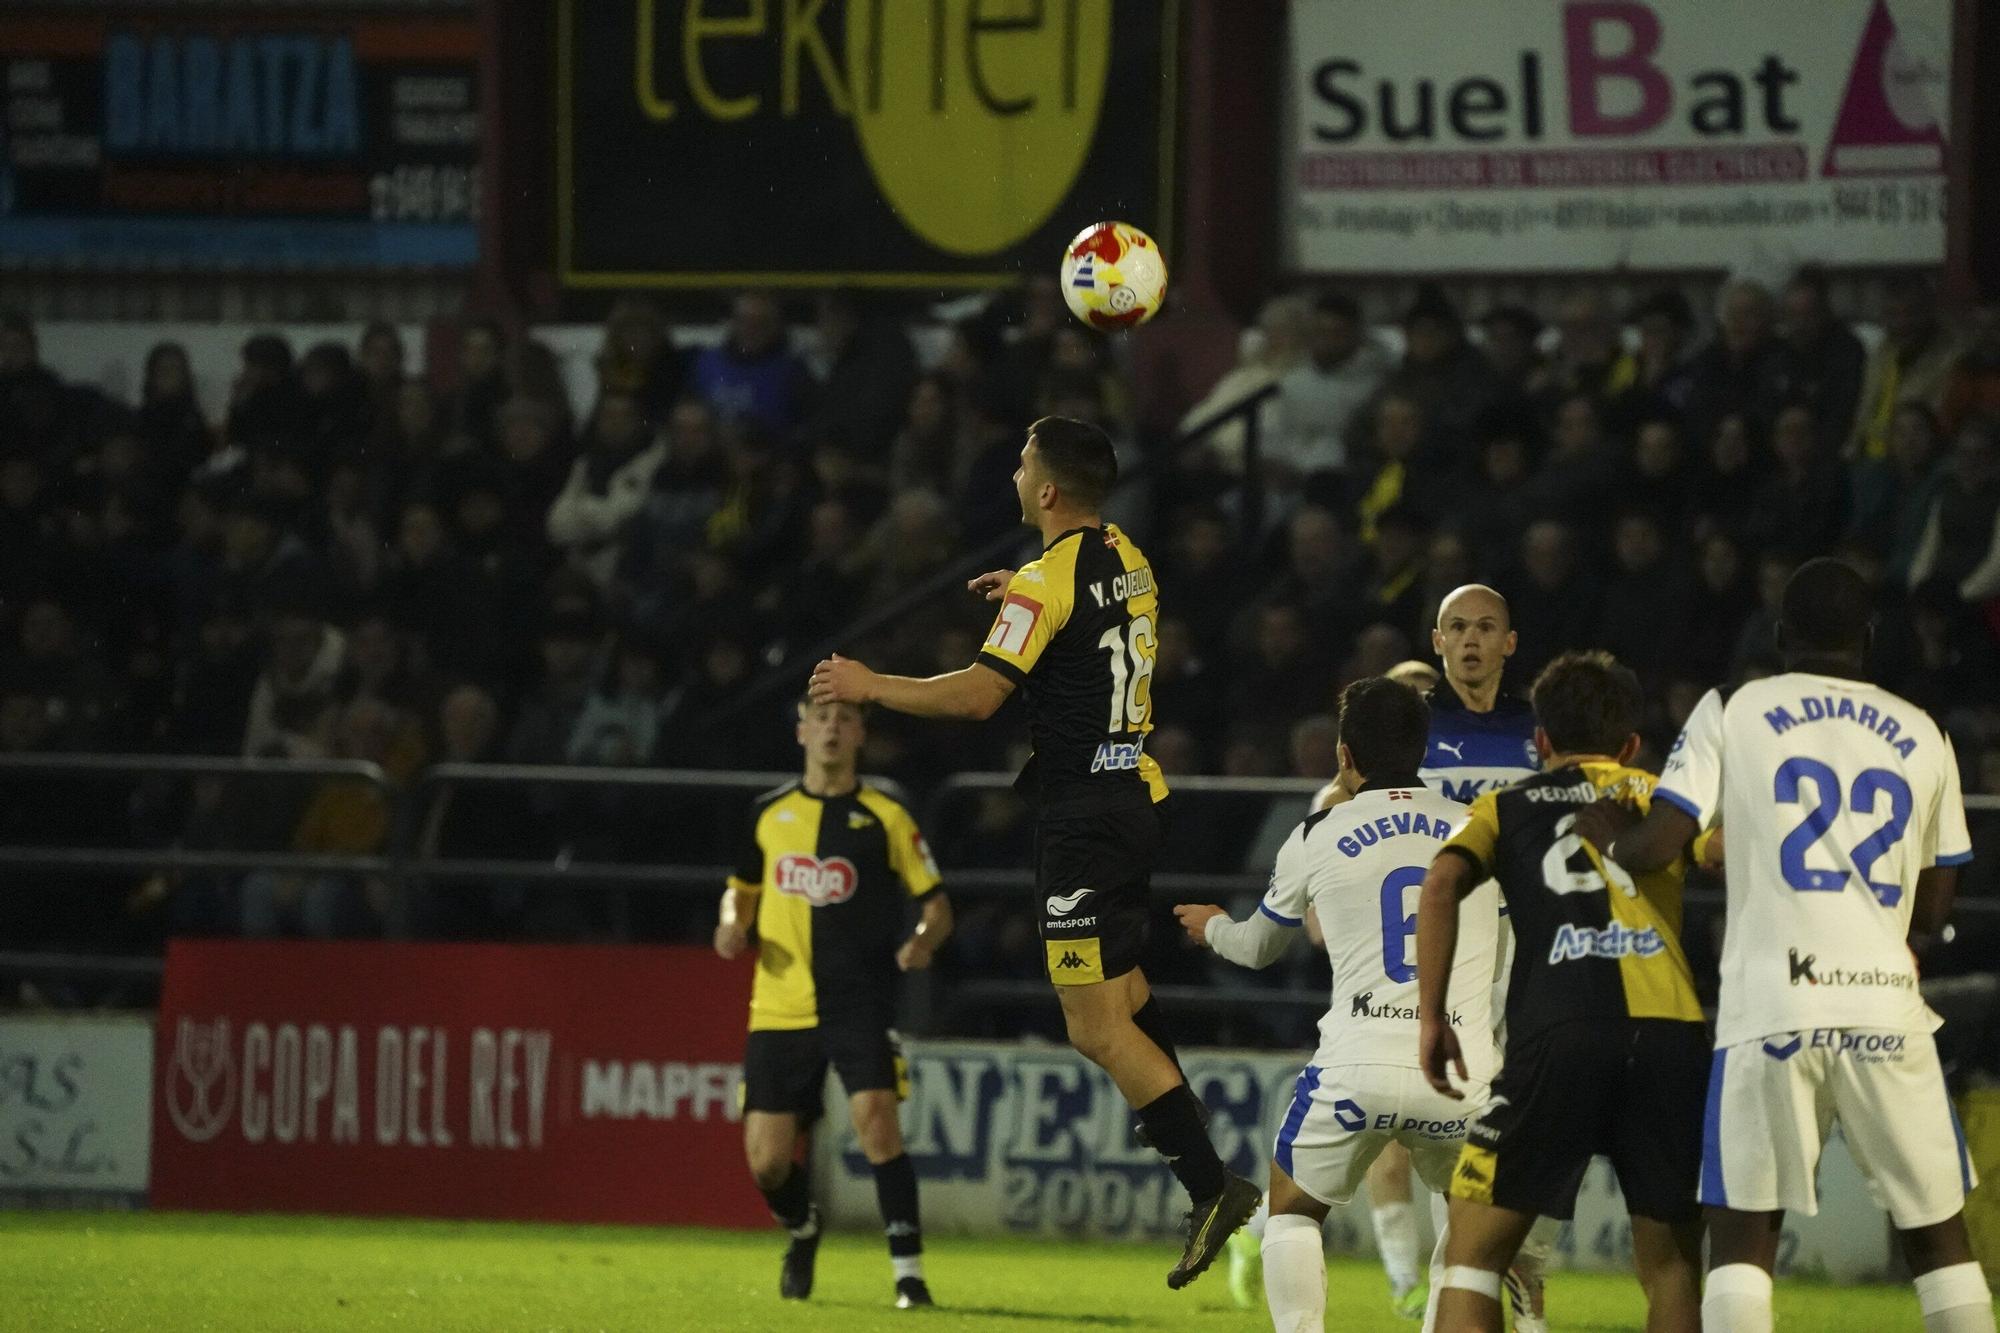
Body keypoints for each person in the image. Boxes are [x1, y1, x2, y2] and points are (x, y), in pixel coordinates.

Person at [808, 416, 1260, 1289]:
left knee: (1091, 1024)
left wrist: (871, 685)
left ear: (1048, 490)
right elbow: (1085, 611)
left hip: (1084, 817)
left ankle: (1208, 1183)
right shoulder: (1126, 553)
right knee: (1123, 991)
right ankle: (1179, 1125)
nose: (1013, 471)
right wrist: (1025, 587)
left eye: (1021, 462)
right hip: (1134, 795)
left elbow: (979, 697)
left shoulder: (1046, 584)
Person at [1597, 558, 1993, 1333]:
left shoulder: (1735, 709)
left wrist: (1608, 829)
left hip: (1772, 1003)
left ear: (1780, 636)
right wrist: (1907, 939)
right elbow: (1942, 893)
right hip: (1886, 1002)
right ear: (1871, 638)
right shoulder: (1923, 731)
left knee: (1744, 1232)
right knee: (1937, 1233)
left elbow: (1657, 844)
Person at [1175, 677, 1502, 1333]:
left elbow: (1259, 947)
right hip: (1463, 1066)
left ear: (1345, 755)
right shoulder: (1481, 826)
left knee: (1292, 1205)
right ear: (1425, 746)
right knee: (1466, 1228)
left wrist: (1211, 925)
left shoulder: (1318, 830)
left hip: (1357, 1067)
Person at [1417, 652, 1711, 1333]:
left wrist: (1433, 1017)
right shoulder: (1660, 794)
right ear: (1632, 744)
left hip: (1560, 1027)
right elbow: (1723, 851)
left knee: (1472, 1256)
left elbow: (1439, 885)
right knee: (1670, 1266)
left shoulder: (1506, 804)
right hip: (1670, 1031)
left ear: (1541, 741)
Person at [713, 696, 954, 1311]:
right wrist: (732, 923)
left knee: (877, 1121)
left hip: (859, 1002)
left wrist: (924, 942)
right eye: (821, 718)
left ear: (860, 736)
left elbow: (936, 905)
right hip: (779, 1003)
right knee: (767, 1164)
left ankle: (909, 1278)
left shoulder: (886, 814)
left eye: (844, 720)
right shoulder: (769, 813)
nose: (831, 729)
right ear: (800, 731)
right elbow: (739, 891)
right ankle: (803, 1228)